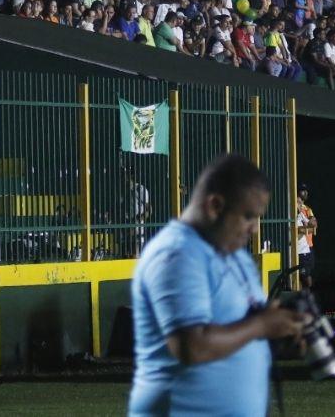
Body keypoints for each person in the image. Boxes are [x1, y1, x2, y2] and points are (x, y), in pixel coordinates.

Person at [129, 154, 305, 417]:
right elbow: (191, 346)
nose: (255, 229)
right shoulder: (177, 254)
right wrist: (262, 325)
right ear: (215, 206)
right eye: (248, 216)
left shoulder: (237, 257)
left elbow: (241, 337)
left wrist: (279, 333)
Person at [295, 182, 317, 289]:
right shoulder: (292, 207)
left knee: (307, 275)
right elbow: (299, 229)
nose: (305, 192)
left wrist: (308, 226)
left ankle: (307, 299)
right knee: (301, 276)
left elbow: (314, 225)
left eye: (306, 190)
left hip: (308, 247)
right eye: (303, 190)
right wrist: (308, 227)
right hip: (298, 247)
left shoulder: (307, 209)